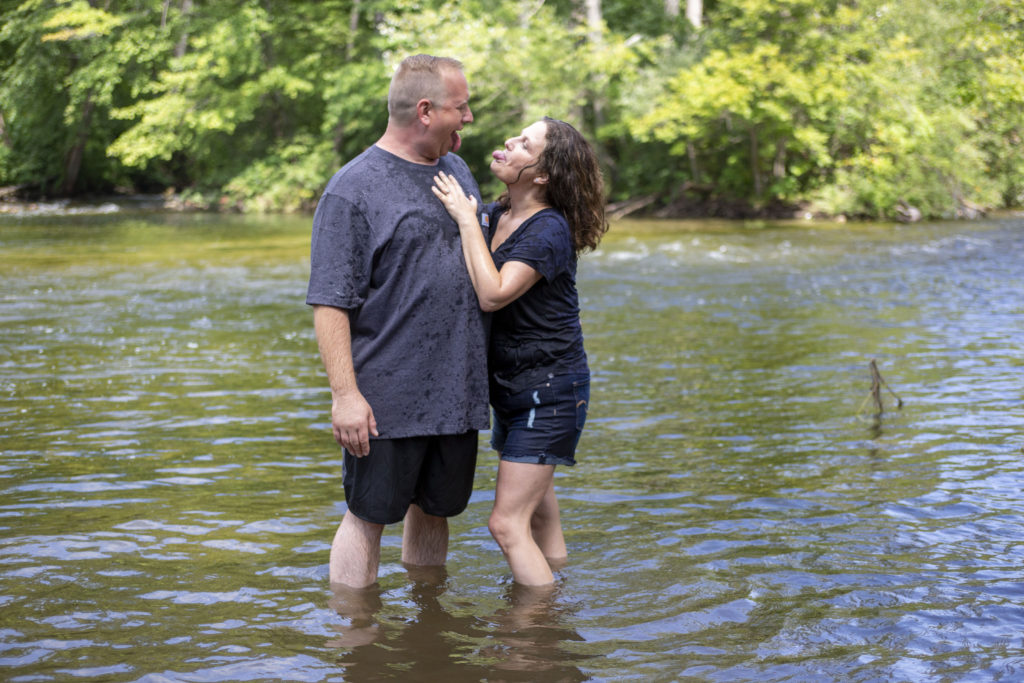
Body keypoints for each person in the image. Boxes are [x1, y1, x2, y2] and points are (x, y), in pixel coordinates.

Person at [306, 55, 489, 589]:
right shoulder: (352, 190)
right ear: (426, 110)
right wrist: (345, 395)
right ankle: (355, 641)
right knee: (368, 516)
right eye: (462, 106)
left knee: (436, 510)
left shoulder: (456, 170)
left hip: (456, 391)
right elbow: (330, 303)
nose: (470, 117)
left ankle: (427, 627)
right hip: (386, 397)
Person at [432, 117, 608, 586]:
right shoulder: (498, 213)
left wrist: (466, 219)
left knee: (506, 524)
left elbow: (493, 294)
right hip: (512, 388)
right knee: (540, 516)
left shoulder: (548, 229)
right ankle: (558, 601)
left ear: (543, 173)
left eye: (524, 142)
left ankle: (538, 629)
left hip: (548, 392)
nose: (509, 142)